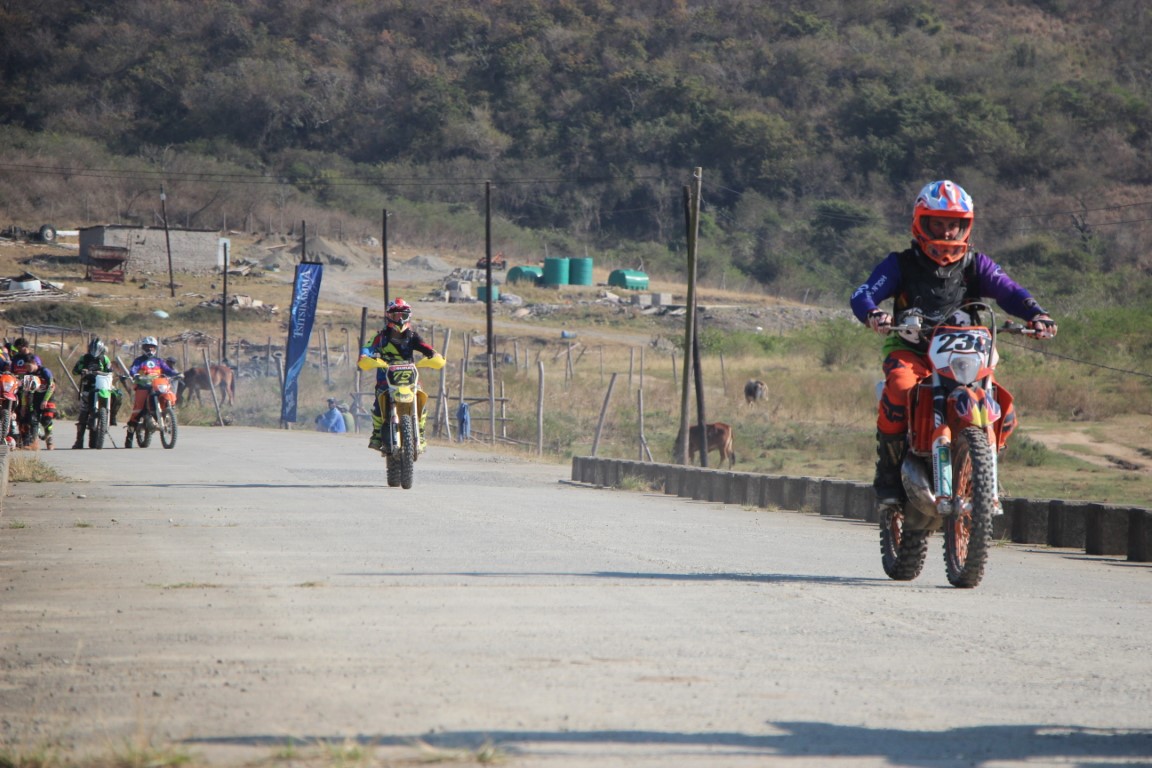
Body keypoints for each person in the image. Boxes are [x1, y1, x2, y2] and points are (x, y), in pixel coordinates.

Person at [850, 179, 1058, 509]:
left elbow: (1009, 290)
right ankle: (887, 473)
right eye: (938, 223)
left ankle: (982, 472)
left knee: (1003, 410)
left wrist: (1037, 314)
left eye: (954, 224)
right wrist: (873, 313)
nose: (947, 232)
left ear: (966, 226)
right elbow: (863, 294)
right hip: (912, 350)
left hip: (964, 356)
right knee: (899, 390)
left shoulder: (977, 264)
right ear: (921, 223)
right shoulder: (900, 264)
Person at [358, 297, 442, 451]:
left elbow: (427, 348)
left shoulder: (412, 336)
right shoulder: (381, 336)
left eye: (403, 315)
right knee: (379, 400)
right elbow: (368, 347)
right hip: (386, 375)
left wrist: (435, 355)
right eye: (396, 315)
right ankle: (377, 434)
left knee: (420, 397)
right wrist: (365, 356)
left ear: (408, 316)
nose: (400, 319)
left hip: (409, 376)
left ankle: (420, 433)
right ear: (389, 316)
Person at [123, 336, 181, 443]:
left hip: (157, 386)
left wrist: (177, 374)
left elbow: (168, 370)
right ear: (143, 348)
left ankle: (168, 412)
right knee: (138, 410)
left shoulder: (159, 361)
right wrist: (135, 374)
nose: (150, 349)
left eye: (152, 347)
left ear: (155, 348)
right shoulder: (139, 360)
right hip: (143, 386)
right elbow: (133, 369)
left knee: (168, 395)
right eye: (147, 347)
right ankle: (130, 435)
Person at [71, 337, 124, 448]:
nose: (94, 351)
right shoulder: (84, 358)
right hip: (89, 386)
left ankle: (112, 416)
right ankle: (79, 441)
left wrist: (113, 372)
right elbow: (75, 370)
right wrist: (82, 370)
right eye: (92, 349)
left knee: (118, 395)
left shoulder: (105, 359)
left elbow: (110, 369)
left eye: (97, 349)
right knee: (84, 412)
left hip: (103, 385)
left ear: (101, 349)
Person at [14, 359, 56, 449]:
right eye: (26, 367)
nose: (27, 368)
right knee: (33, 420)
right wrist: (24, 406)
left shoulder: (44, 371)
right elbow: (25, 392)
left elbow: (52, 386)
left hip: (48, 398)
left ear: (34, 364)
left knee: (46, 420)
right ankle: (34, 443)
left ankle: (49, 439)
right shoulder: (28, 375)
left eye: (29, 366)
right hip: (36, 399)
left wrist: (45, 400)